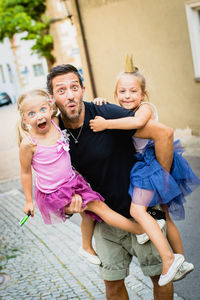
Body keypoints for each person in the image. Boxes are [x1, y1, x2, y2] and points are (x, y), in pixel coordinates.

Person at [47, 63, 179, 299]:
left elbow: (163, 133)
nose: (69, 95)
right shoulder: (54, 133)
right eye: (61, 90)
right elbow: (50, 181)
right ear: (52, 98)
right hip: (105, 222)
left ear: (83, 89)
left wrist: (162, 183)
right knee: (113, 286)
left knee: (160, 277)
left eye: (74, 87)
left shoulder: (104, 113)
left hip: (142, 211)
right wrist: (68, 205)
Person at [90, 55, 199, 283]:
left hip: (149, 164)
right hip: (144, 165)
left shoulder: (146, 109)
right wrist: (101, 103)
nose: (127, 96)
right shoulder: (122, 110)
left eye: (132, 92)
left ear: (143, 95)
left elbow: (136, 124)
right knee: (165, 214)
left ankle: (169, 259)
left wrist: (105, 123)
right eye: (121, 92)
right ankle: (182, 259)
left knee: (137, 211)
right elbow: (121, 117)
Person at [17, 88, 152, 266]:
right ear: (25, 119)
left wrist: (97, 101)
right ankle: (142, 229)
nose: (39, 116)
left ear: (51, 109)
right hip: (54, 191)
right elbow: (25, 172)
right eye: (31, 113)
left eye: (43, 110)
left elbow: (72, 109)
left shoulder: (56, 123)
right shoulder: (29, 144)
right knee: (99, 207)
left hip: (72, 182)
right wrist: (28, 201)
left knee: (88, 214)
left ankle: (86, 246)